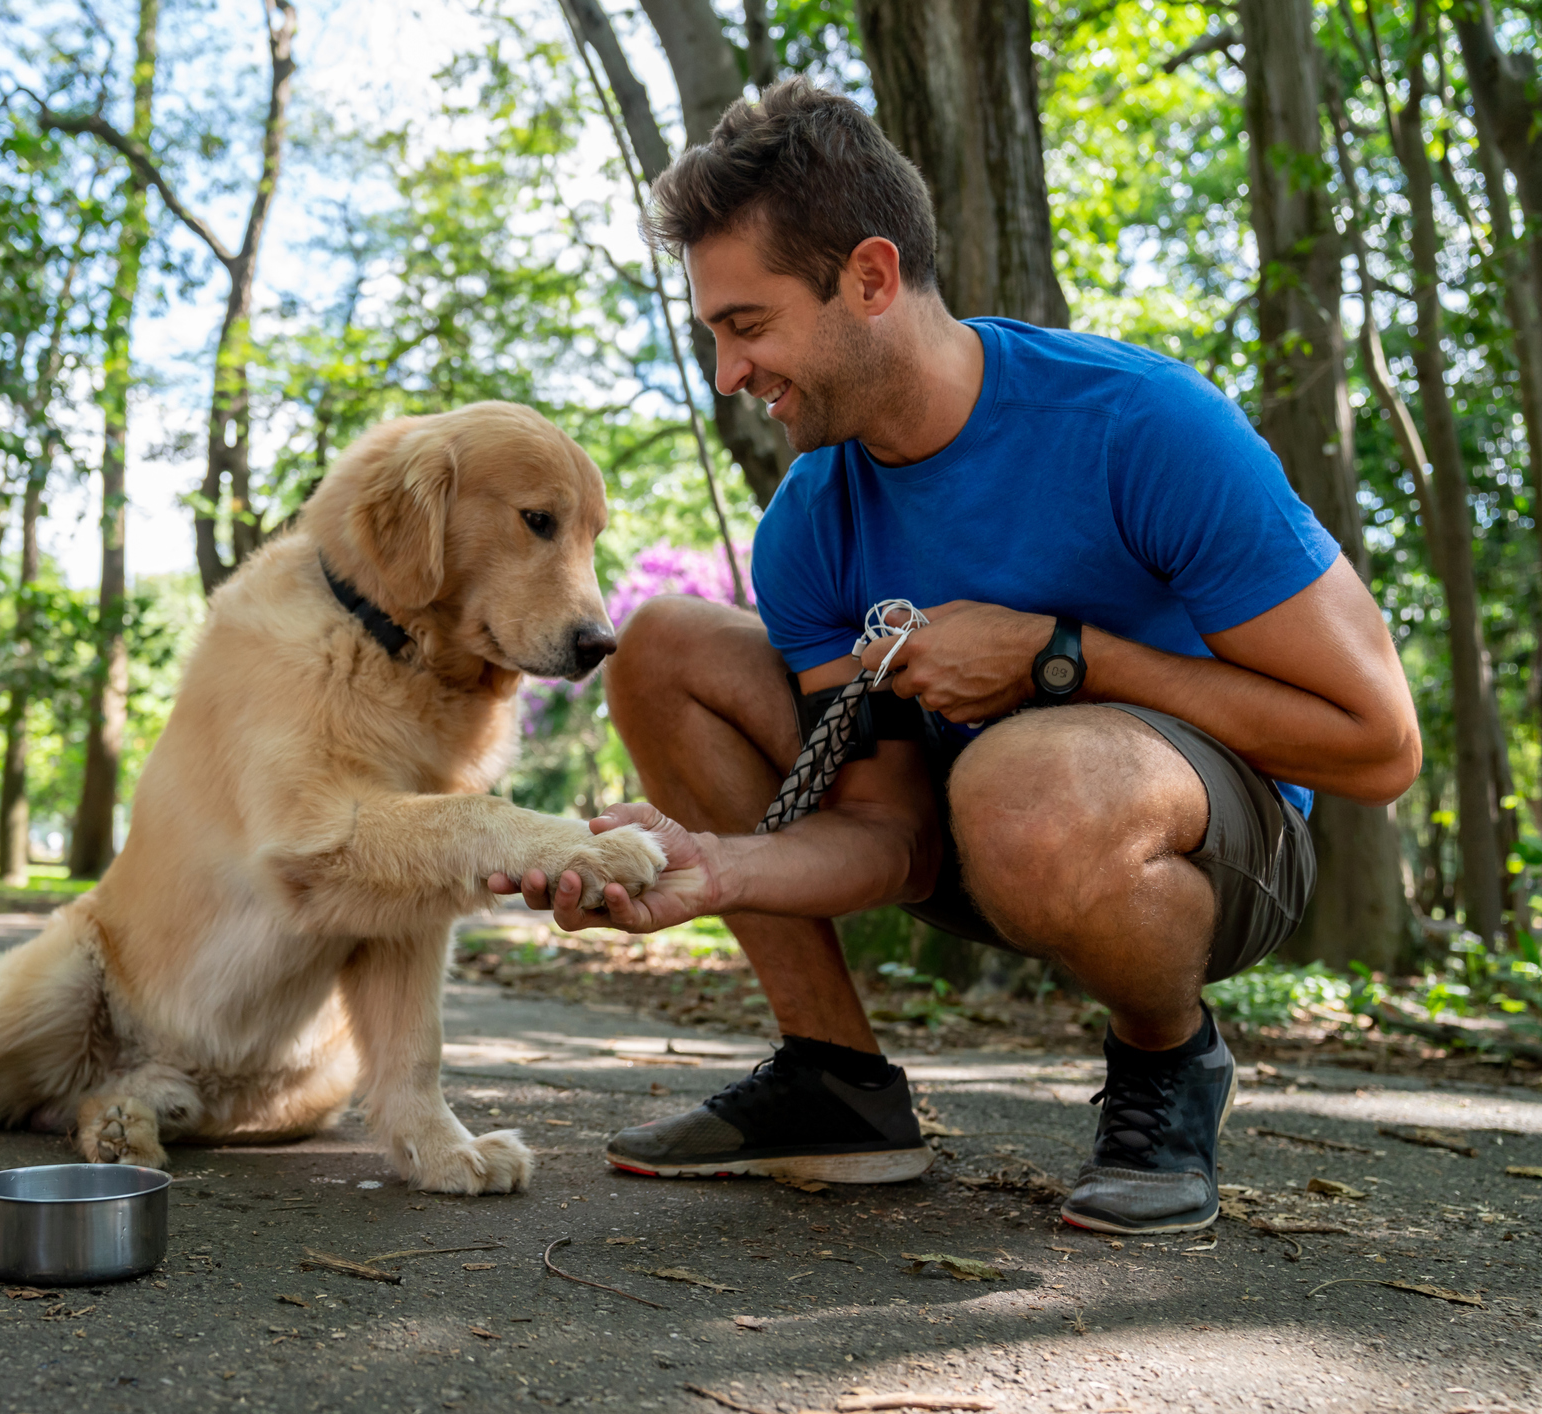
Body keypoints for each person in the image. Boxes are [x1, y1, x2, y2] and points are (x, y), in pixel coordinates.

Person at [488, 78, 1420, 1236]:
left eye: (747, 325)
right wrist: (715, 868)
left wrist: (1063, 659)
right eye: (714, 334)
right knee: (663, 645)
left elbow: (1377, 745)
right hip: (972, 828)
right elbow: (893, 835)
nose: (730, 373)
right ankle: (835, 1081)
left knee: (1026, 781)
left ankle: (1165, 1061)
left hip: (1208, 849)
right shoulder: (809, 518)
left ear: (869, 279)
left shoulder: (1140, 426)